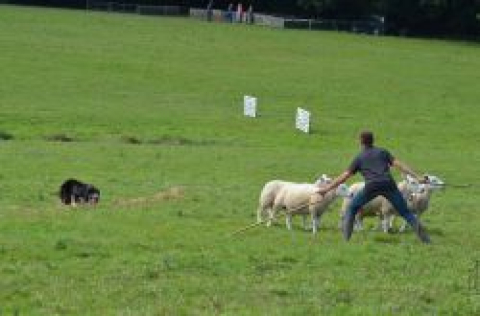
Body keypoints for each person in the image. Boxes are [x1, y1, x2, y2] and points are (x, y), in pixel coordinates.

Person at [316, 131, 431, 243]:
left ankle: (346, 240)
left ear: (361, 142)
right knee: (406, 213)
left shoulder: (359, 158)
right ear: (373, 140)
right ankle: (426, 240)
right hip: (388, 184)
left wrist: (326, 189)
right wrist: (417, 177)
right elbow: (399, 165)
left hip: (372, 186)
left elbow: (344, 176)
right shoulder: (383, 152)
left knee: (351, 208)